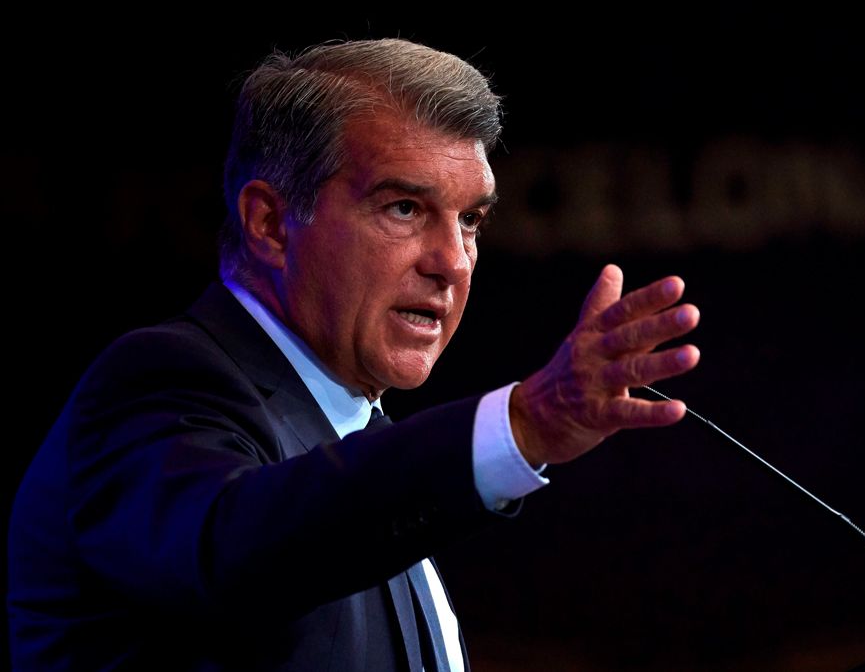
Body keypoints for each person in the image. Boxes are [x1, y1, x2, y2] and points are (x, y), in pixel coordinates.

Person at [7, 38, 700, 671]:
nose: (452, 263)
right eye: (404, 208)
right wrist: (518, 428)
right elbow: (237, 546)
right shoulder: (162, 383)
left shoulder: (362, 438)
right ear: (271, 223)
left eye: (471, 221)